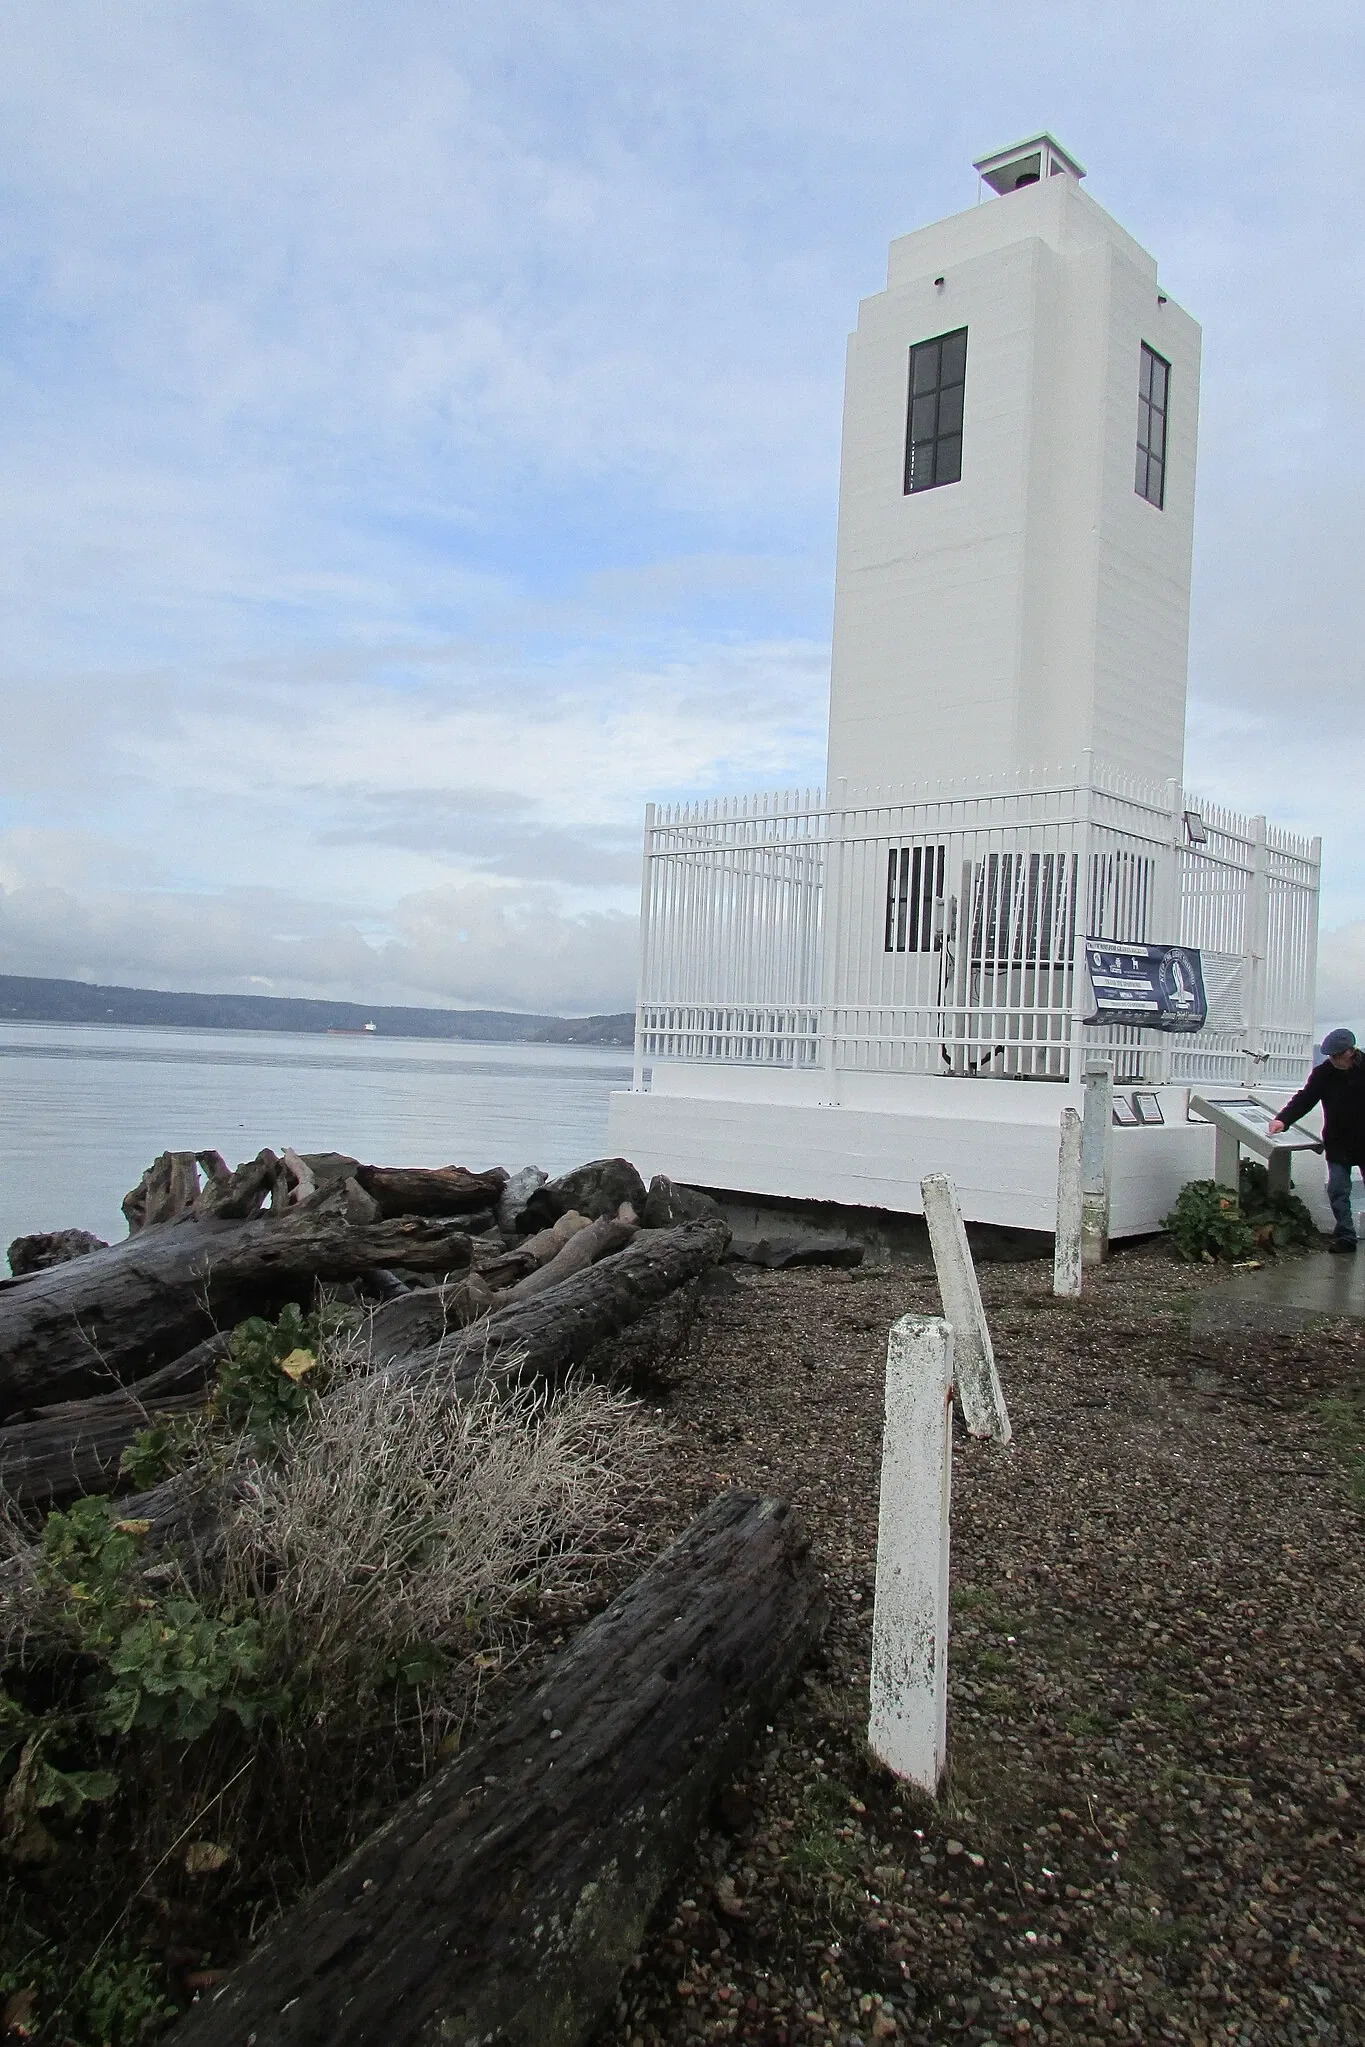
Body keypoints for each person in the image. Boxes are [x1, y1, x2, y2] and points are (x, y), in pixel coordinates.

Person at [1268, 1028, 1365, 1253]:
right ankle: (1346, 1236)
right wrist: (1283, 1119)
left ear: (1350, 1051)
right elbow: (1305, 1098)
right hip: (1338, 1141)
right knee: (1337, 1190)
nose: (1334, 1060)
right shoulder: (1324, 1074)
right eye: (1330, 1056)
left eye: (1337, 1055)